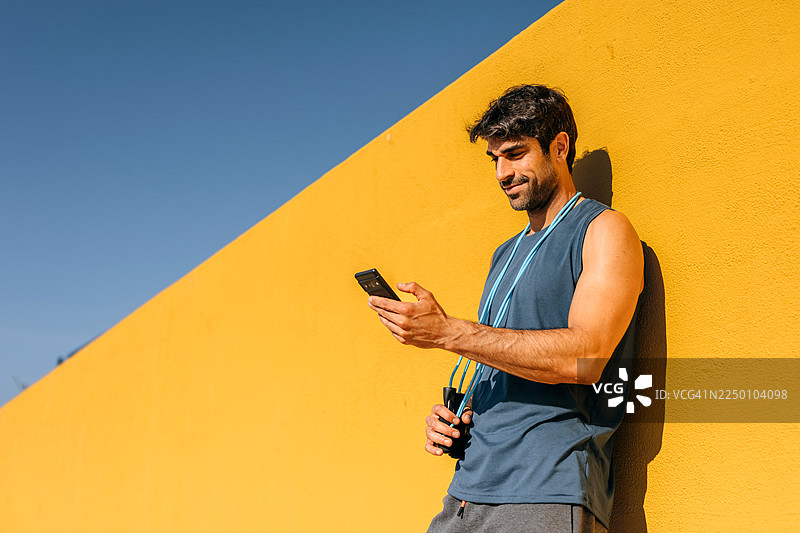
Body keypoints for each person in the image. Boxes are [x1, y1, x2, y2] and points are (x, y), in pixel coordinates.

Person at [367, 84, 644, 532]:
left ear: (559, 148)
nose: (502, 172)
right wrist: (461, 418)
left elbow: (586, 357)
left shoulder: (603, 229)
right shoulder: (505, 253)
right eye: (495, 159)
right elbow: (504, 354)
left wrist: (447, 332)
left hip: (545, 487)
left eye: (515, 154)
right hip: (467, 489)